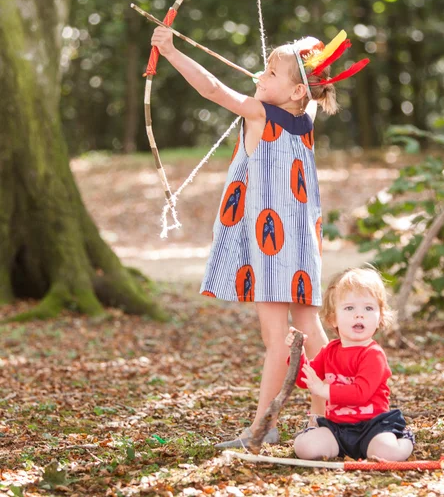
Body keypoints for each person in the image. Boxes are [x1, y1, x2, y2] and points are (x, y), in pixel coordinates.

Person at [151, 25, 368, 448]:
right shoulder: (305, 119)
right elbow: (298, 90)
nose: (258, 77)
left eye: (270, 73)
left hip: (272, 249)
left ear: (296, 92)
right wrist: (289, 71)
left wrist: (172, 52)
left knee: (277, 340)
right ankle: (330, 419)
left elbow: (213, 88)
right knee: (308, 329)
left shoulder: (260, 114)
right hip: (301, 245)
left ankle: (262, 429)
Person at [285, 267, 415, 461]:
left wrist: (324, 389)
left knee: (389, 453)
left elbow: (360, 394)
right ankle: (333, 447)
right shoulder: (329, 351)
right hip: (337, 428)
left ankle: (405, 439)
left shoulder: (373, 355)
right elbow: (305, 381)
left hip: (373, 427)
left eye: (368, 308)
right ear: (332, 318)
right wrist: (298, 353)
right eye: (349, 308)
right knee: (305, 447)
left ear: (380, 316)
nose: (359, 315)